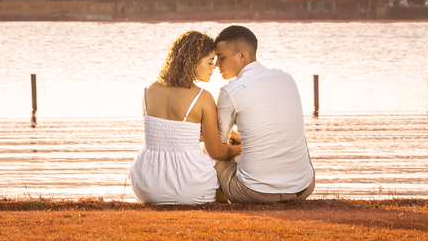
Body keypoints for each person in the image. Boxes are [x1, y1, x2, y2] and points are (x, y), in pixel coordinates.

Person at [129, 30, 241, 205]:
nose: (214, 67)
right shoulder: (202, 97)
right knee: (224, 157)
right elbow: (217, 152)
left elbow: (167, 134)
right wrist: (244, 148)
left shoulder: (148, 90)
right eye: (210, 62)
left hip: (146, 185)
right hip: (190, 188)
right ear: (192, 62)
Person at [213, 25, 315, 203]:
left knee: (211, 149)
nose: (216, 64)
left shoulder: (230, 91)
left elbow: (219, 149)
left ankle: (219, 208)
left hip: (253, 193)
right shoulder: (287, 78)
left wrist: (237, 147)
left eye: (221, 57)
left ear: (241, 55)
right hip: (303, 188)